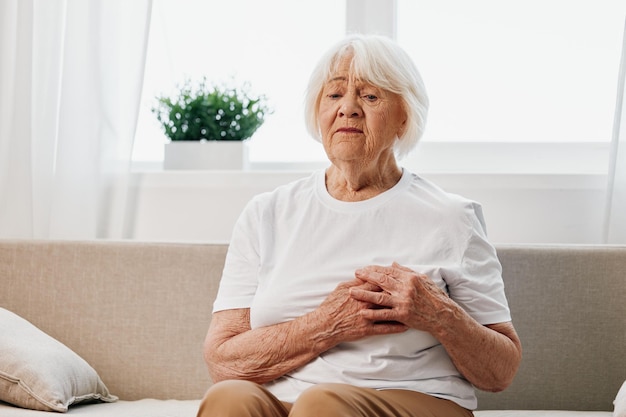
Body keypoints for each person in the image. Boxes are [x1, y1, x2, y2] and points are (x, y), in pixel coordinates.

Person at [196, 34, 522, 417]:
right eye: (334, 95)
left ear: (404, 116)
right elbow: (223, 360)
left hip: (412, 398)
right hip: (291, 399)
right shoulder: (267, 213)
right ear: (317, 112)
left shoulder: (452, 217)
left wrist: (439, 314)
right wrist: (327, 324)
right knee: (228, 398)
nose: (348, 108)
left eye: (369, 97)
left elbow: (501, 371)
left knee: (323, 404)